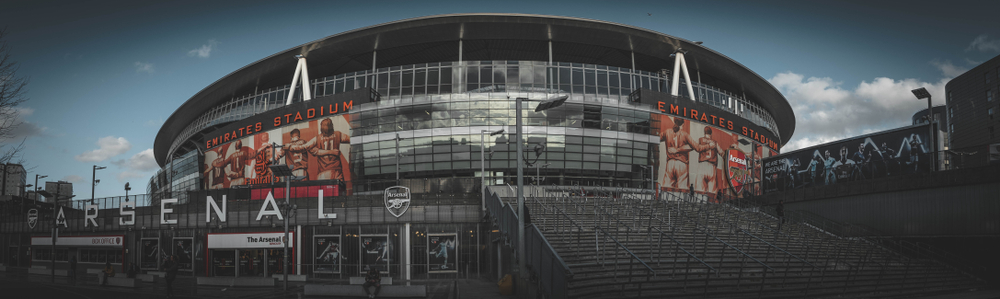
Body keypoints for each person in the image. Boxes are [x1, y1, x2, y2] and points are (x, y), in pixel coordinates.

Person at [660, 117, 696, 189]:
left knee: (667, 188)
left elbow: (656, 137)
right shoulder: (685, 134)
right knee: (682, 188)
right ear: (682, 125)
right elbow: (694, 146)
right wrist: (678, 149)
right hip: (681, 163)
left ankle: (666, 200)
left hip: (670, 163)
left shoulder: (667, 132)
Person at [694, 126, 724, 194]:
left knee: (700, 191)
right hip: (712, 167)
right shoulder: (715, 142)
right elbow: (722, 153)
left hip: (702, 165)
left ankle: (700, 203)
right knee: (712, 192)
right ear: (711, 134)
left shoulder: (700, 139)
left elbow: (695, 147)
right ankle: (711, 203)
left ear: (704, 133)